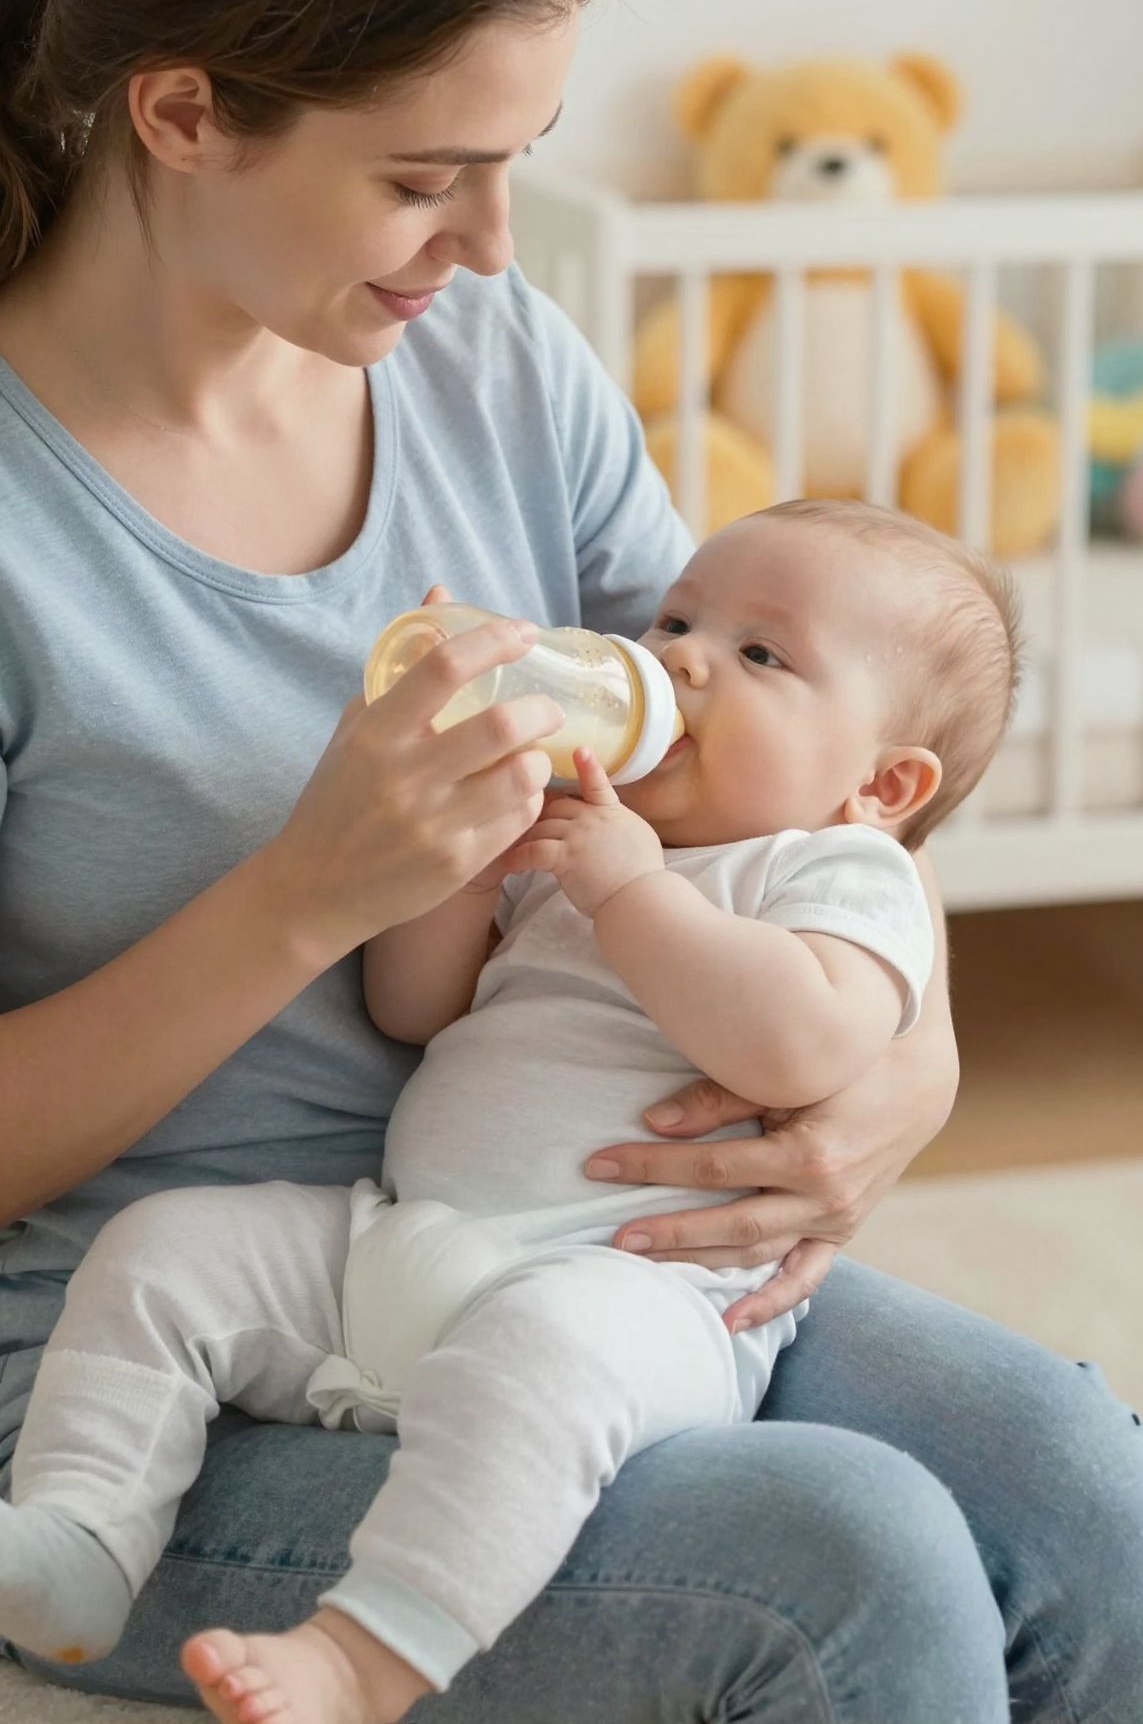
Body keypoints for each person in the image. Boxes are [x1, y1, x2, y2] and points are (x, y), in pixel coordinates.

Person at [0, 0, 1143, 1723]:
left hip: (575, 1233)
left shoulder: (487, 359)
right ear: (182, 112)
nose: (499, 246)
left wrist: (908, 1058)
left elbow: (780, 772)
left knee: (1080, 1482)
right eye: (429, 175)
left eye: (517, 162)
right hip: (151, 1350)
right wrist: (300, 896)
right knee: (847, 1574)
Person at [2, 500, 1021, 1724]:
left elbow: (796, 1038)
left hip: (620, 1295)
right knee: (164, 1250)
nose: (684, 657)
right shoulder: (590, 836)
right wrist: (460, 876)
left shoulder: (831, 875)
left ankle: (366, 1651)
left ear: (882, 784)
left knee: (540, 1375)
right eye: (679, 619)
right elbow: (415, 1007)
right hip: (401, 1238)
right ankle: (81, 1532)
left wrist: (634, 888)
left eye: (762, 654)